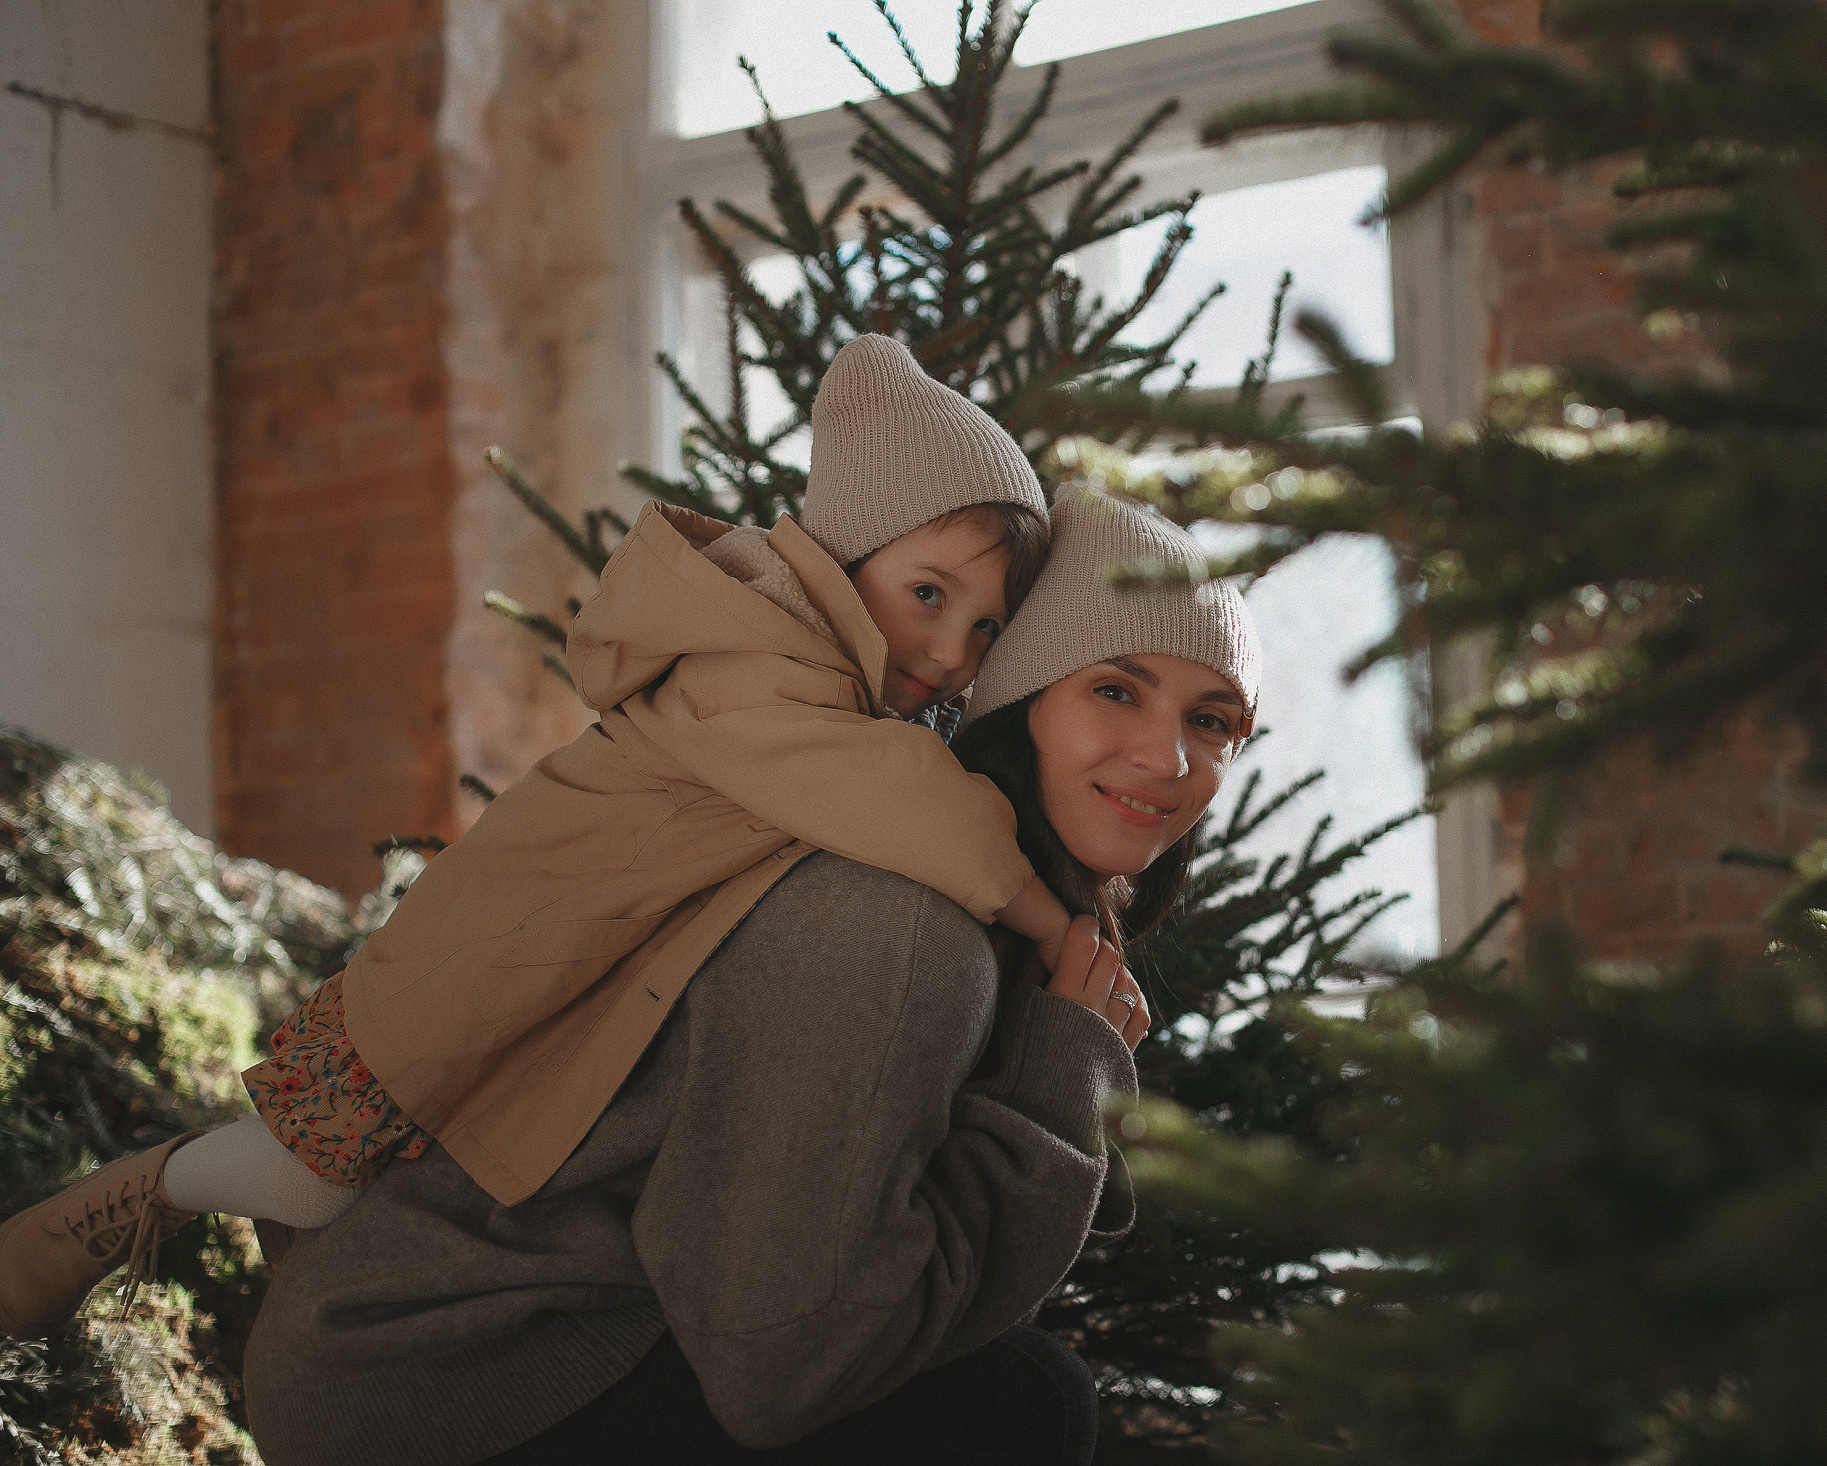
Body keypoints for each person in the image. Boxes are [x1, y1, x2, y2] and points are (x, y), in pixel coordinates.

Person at [0, 335, 1085, 1341]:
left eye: (985, 624)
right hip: (468, 973)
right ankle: (131, 1193)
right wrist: (1052, 922)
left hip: (526, 976)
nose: (951, 649)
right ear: (841, 558)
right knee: (312, 1187)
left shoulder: (800, 671)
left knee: (336, 1220)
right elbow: (905, 796)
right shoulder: (768, 677)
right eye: (928, 594)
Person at [238, 489, 1261, 1466]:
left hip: (543, 1339)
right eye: (1115, 689)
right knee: (1020, 1402)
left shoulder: (992, 915)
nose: (1167, 758)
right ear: (1023, 700)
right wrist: (1057, 1085)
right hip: (434, 1379)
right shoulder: (900, 924)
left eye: (1211, 720)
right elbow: (779, 1367)